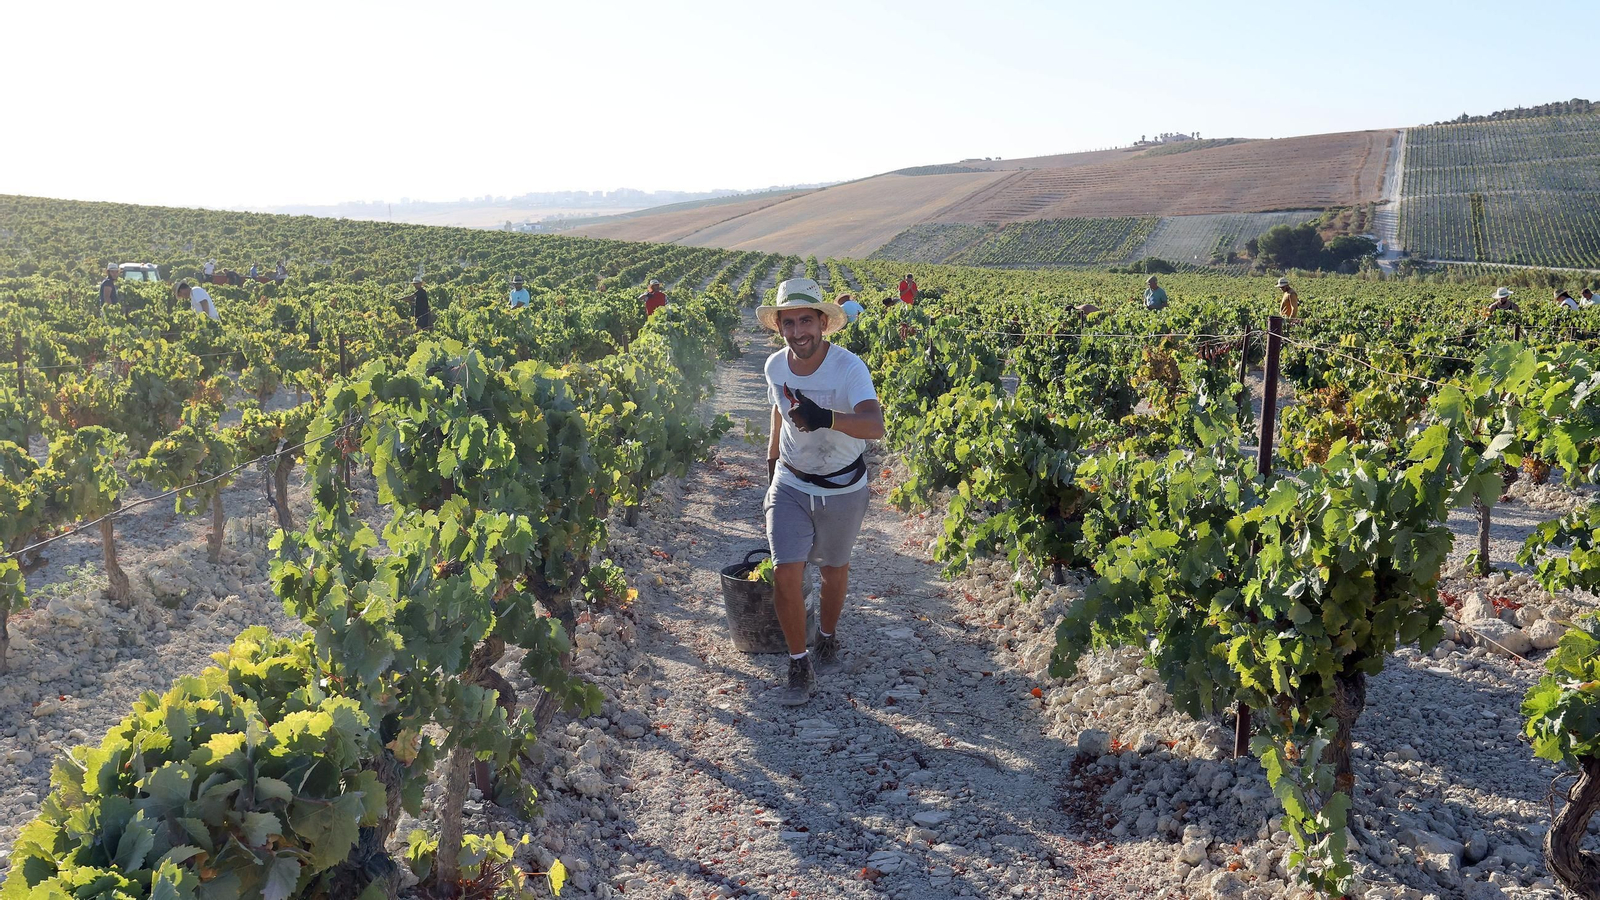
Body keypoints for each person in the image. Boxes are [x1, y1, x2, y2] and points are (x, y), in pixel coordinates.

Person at [758, 279, 884, 706]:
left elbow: (874, 426)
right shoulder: (774, 366)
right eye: (789, 323)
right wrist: (772, 467)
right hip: (791, 482)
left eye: (806, 321)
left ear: (823, 324)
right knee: (785, 571)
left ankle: (827, 638)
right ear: (779, 327)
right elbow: (778, 414)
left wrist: (827, 416)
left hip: (843, 486)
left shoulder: (849, 368)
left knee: (833, 571)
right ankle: (799, 664)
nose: (798, 332)